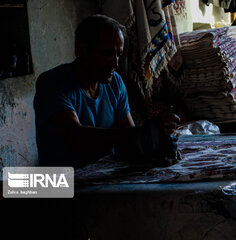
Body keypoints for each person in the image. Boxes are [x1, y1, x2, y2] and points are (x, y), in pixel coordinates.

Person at [33, 14, 180, 168]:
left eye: (119, 55)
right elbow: (75, 137)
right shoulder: (52, 83)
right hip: (59, 181)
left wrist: (157, 145)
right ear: (81, 50)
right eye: (107, 54)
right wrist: (146, 133)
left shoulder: (115, 83)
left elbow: (130, 137)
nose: (115, 63)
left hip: (98, 175)